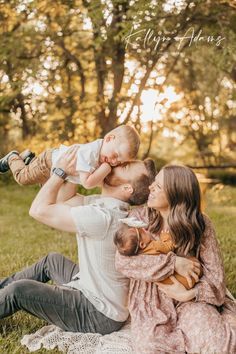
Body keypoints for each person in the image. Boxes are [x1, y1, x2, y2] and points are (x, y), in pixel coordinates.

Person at [0, 145, 156, 335]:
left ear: (127, 188)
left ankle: (6, 294)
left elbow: (38, 210)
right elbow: (64, 199)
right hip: (89, 285)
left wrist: (59, 172)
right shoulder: (105, 203)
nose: (115, 164)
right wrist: (77, 167)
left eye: (123, 167)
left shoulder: (104, 217)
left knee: (20, 290)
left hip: (97, 312)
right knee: (52, 261)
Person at [115, 165, 236, 354]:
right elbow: (123, 262)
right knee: (151, 348)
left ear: (176, 194)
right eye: (153, 184)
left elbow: (217, 279)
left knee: (219, 344)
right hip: (151, 303)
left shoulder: (200, 224)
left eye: (158, 187)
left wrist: (188, 294)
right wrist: (174, 263)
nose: (150, 188)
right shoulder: (138, 219)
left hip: (192, 298)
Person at [0, 124, 140, 188]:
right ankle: (13, 157)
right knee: (23, 177)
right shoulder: (91, 152)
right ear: (109, 139)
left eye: (119, 162)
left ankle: (29, 159)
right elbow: (87, 183)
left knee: (45, 188)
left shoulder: (101, 153)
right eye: (115, 155)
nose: (114, 162)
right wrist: (106, 169)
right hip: (48, 164)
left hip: (53, 166)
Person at [114, 222, 202, 290]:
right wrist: (165, 237)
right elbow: (169, 247)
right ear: (142, 244)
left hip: (171, 282)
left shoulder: (140, 254)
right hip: (183, 280)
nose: (145, 229)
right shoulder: (154, 246)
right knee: (194, 262)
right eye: (143, 231)